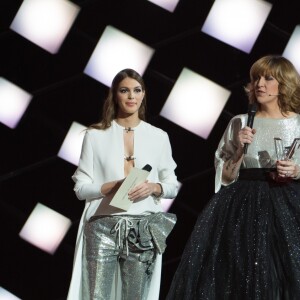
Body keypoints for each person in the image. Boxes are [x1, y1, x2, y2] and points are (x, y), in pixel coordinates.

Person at [166, 55, 300, 300]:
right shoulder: (239, 122)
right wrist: (239, 149)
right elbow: (225, 177)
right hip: (242, 205)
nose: (259, 83)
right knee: (237, 274)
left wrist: (295, 170)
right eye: (256, 78)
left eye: (268, 78)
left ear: (284, 83)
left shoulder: (298, 123)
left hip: (288, 202)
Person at [67, 68, 178, 300]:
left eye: (137, 90)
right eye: (124, 90)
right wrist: (108, 187)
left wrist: (154, 187)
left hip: (142, 230)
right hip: (102, 227)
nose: (131, 96)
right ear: (115, 95)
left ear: (143, 94)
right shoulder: (95, 135)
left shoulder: (159, 136)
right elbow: (80, 188)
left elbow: (172, 185)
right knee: (96, 296)